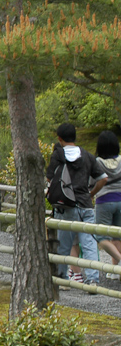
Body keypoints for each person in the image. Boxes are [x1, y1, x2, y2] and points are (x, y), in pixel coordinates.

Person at [46, 122, 106, 285]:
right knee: (89, 243)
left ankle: (63, 278)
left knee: (64, 244)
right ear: (75, 136)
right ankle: (93, 280)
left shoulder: (58, 155)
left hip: (65, 206)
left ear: (59, 138)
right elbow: (103, 178)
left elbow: (50, 178)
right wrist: (90, 193)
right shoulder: (86, 155)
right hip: (86, 205)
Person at [89, 130, 121, 269]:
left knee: (101, 238)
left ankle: (119, 260)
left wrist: (90, 193)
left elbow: (91, 181)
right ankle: (116, 269)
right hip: (120, 199)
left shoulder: (97, 162)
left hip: (104, 200)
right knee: (117, 235)